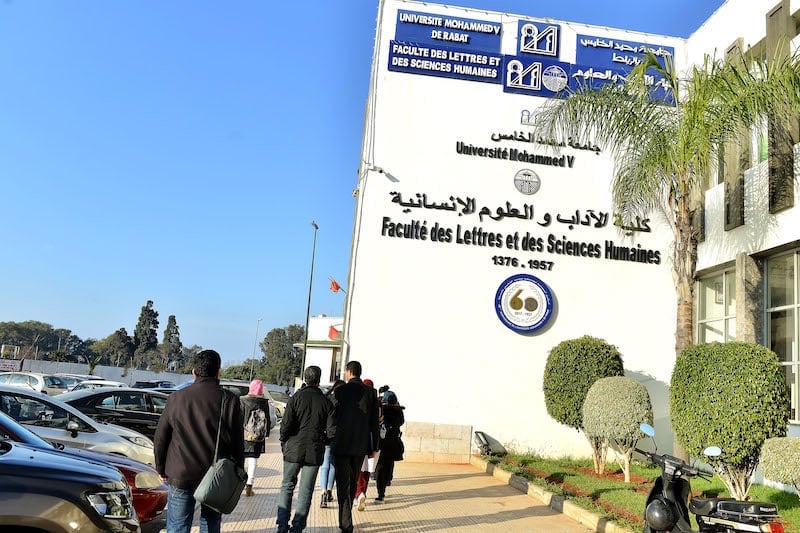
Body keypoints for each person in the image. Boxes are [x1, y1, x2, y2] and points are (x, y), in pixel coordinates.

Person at [154, 349, 244, 533]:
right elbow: (237, 442)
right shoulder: (230, 400)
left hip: (181, 473)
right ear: (219, 372)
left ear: (194, 372)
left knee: (178, 527)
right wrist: (237, 470)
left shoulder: (177, 398)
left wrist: (160, 467)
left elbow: (161, 436)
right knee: (210, 525)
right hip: (216, 476)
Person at [276, 366, 334, 533]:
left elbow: (285, 425)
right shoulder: (326, 402)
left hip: (293, 449)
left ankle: (282, 525)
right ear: (319, 380)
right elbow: (331, 431)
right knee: (306, 491)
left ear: (305, 378)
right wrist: (322, 441)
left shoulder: (295, 398)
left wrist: (283, 441)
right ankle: (298, 527)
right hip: (314, 452)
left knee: (287, 486)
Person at [332, 361, 380, 533]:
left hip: (341, 444)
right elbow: (374, 423)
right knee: (353, 481)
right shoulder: (371, 393)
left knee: (342, 484)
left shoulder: (340, 391)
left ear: (348, 372)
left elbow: (332, 417)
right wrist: (374, 447)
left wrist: (331, 437)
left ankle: (345, 522)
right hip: (360, 446)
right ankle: (346, 519)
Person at [240, 378, 271, 497]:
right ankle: (249, 485)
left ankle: (239, 483)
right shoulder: (264, 403)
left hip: (243, 435)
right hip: (257, 437)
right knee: (253, 461)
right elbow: (266, 419)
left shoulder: (242, 401)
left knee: (240, 460)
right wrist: (266, 434)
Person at [374, 390, 405, 501]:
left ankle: (380, 493)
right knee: (388, 465)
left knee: (380, 468)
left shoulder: (383, 411)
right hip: (394, 443)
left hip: (382, 443)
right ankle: (387, 481)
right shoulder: (398, 412)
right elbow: (401, 422)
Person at [319, 378, 345, 508]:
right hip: (339, 437)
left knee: (324, 465)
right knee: (334, 465)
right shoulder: (345, 403)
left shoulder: (326, 399)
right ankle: (329, 490)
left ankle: (323, 492)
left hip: (327, 436)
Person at [354, 378, 378, 510]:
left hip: (358, 441)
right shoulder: (375, 402)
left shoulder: (359, 401)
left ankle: (358, 493)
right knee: (367, 471)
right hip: (370, 443)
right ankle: (363, 492)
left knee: (358, 470)